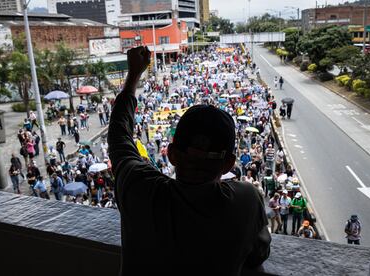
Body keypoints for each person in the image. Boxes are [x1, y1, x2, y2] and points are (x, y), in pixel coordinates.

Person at [108, 46, 270, 275]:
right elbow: (258, 255)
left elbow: (118, 136)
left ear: (171, 154)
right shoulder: (246, 200)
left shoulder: (139, 187)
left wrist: (134, 75)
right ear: (228, 164)